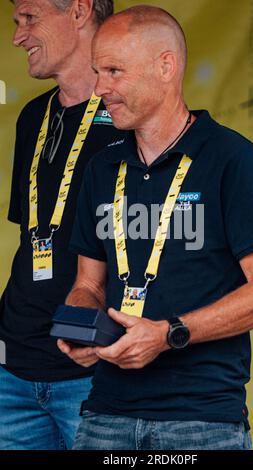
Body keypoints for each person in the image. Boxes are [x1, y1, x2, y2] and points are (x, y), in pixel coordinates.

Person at [59, 5, 253, 450]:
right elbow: (88, 283)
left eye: (113, 71)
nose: (99, 87)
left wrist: (168, 334)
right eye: (96, 71)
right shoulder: (101, 168)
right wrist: (80, 323)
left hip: (201, 422)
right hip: (105, 416)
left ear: (165, 66)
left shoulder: (233, 161)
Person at [0, 0, 125, 450]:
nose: (18, 36)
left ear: (79, 10)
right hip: (12, 373)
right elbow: (32, 235)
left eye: (29, 19)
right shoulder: (34, 116)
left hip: (95, 372)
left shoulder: (134, 117)